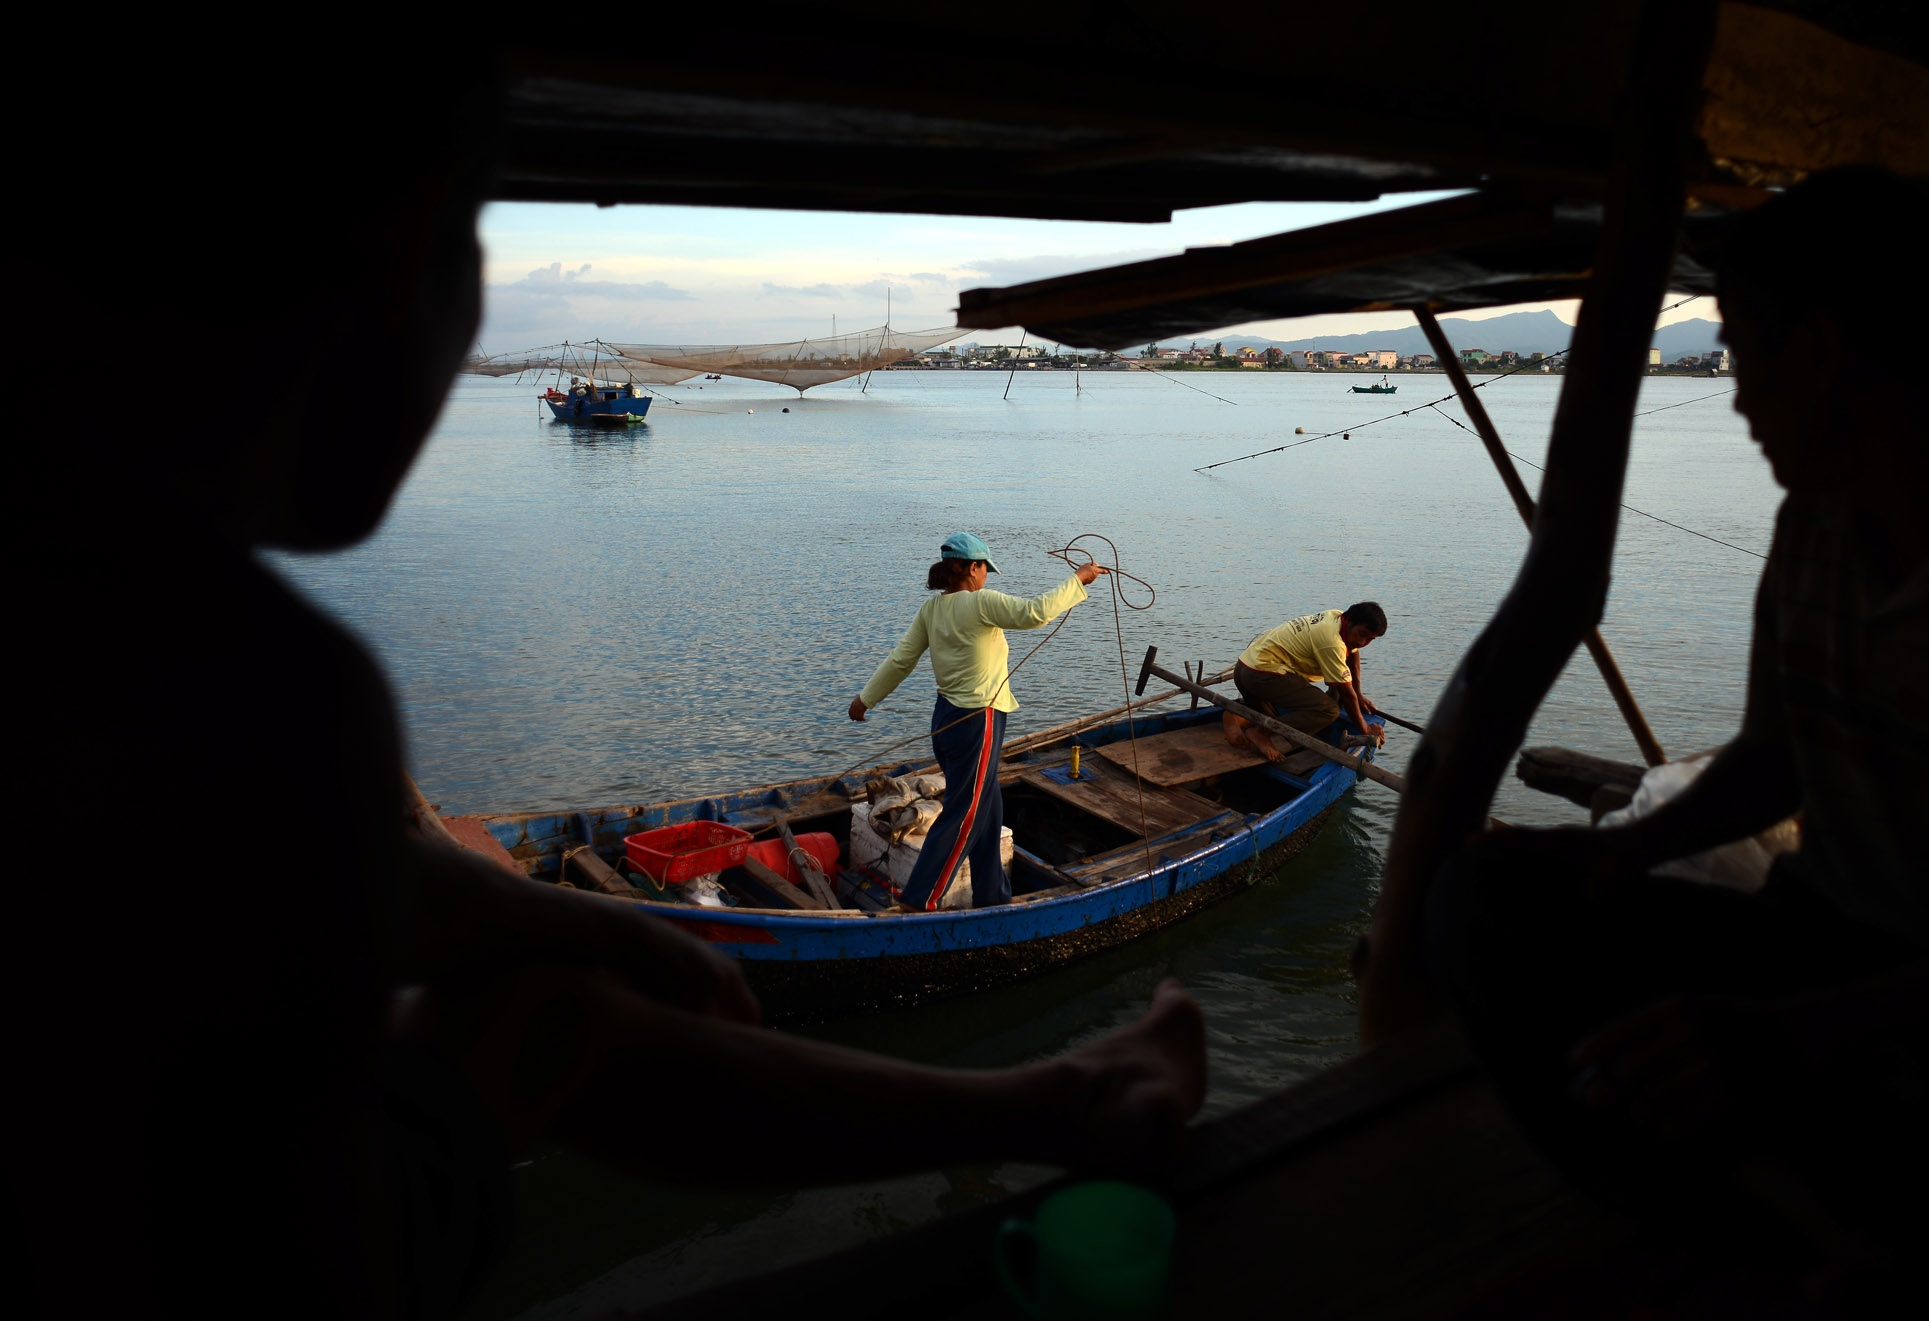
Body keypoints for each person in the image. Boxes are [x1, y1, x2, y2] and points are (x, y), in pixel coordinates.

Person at [23, 63, 1204, 1317]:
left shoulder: (115, 606)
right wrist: (1078, 583)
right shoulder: (264, 675)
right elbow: (1032, 616)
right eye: (450, 258)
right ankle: (1034, 1080)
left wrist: (585, 920)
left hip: (938, 720)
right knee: (618, 991)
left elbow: (373, 885)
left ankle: (1035, 1062)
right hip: (290, 1254)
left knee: (934, 834)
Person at [1430, 167, 1929, 1300]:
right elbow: (1775, 758)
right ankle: (1771, 1226)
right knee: (1491, 897)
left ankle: (1829, 1230)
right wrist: (1619, 850)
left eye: (1739, 354)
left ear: (1819, 352)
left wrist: (1807, 1034)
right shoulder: (1814, 526)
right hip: (1822, 936)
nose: (1736, 401)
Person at [849, 533, 1107, 910]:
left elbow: (901, 661)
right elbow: (1035, 613)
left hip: (946, 720)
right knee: (965, 814)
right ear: (972, 568)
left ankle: (992, 897)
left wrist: (865, 698)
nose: (987, 576)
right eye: (985, 568)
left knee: (988, 808)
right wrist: (1078, 580)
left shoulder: (931, 610)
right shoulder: (982, 602)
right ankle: (920, 900)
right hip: (978, 722)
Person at [1223, 602, 1388, 761]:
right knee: (1328, 710)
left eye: (1370, 639)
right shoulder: (1331, 642)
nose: (1362, 643)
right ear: (1350, 621)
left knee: (1276, 714)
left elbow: (1353, 652)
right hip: (1261, 674)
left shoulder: (1337, 617)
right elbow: (1346, 692)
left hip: (1245, 667)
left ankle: (1238, 717)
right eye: (1362, 635)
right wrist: (1365, 729)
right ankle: (1261, 732)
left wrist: (1359, 695)